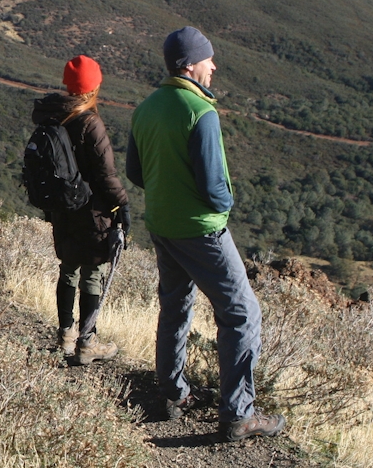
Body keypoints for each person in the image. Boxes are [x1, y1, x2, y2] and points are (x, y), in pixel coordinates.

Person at [125, 27, 286, 442]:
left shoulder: (146, 108)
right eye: (207, 59)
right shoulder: (201, 112)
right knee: (242, 313)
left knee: (175, 306)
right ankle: (238, 415)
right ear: (189, 65)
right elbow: (216, 192)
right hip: (201, 231)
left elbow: (135, 173)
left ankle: (170, 395)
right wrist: (226, 204)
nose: (213, 66)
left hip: (161, 225)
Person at [32, 54, 130, 365]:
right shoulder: (91, 122)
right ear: (94, 86)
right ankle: (87, 342)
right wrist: (122, 205)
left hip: (62, 209)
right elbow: (106, 175)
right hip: (92, 210)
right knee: (93, 272)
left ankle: (65, 336)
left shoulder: (54, 117)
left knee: (68, 268)